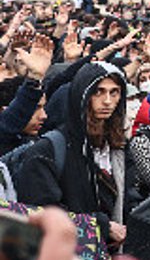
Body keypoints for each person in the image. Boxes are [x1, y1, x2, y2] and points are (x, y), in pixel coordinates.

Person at [15, 62, 133, 248]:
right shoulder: (48, 150)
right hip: (65, 259)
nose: (107, 101)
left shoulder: (119, 148)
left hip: (111, 257)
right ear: (82, 94)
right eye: (98, 92)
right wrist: (102, 226)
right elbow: (41, 211)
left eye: (114, 92)